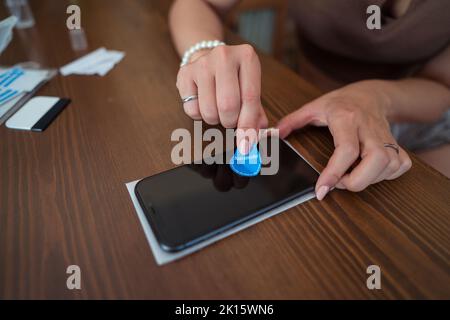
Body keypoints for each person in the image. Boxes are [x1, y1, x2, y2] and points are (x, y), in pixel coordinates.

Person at [168, 0, 450, 200]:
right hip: (308, 115)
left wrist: (375, 96)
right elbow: (200, 3)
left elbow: (441, 86)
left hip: (424, 121)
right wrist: (204, 53)